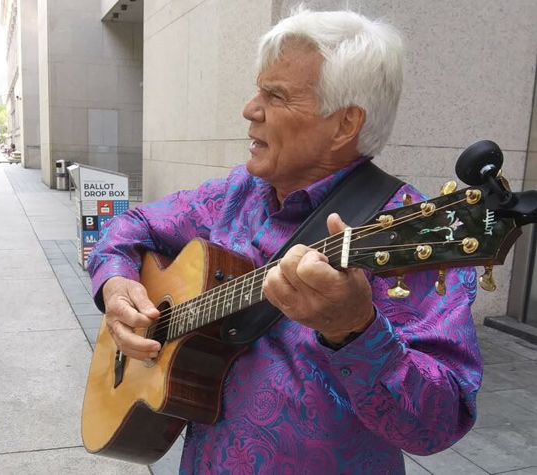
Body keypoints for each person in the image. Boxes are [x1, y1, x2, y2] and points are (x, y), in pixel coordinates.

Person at [88, 8, 481, 474]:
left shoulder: (411, 233)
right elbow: (129, 226)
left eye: (275, 95)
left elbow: (438, 424)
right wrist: (116, 285)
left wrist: (357, 330)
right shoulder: (235, 193)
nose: (250, 109)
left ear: (344, 124)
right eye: (259, 89)